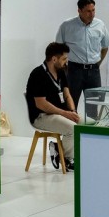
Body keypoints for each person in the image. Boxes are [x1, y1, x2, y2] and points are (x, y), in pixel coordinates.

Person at [25, 42, 80, 171]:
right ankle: (67, 159)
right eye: (64, 59)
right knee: (73, 128)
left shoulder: (61, 72)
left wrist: (73, 111)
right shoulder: (38, 74)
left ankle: (57, 149)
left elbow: (67, 95)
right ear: (54, 59)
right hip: (41, 116)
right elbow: (41, 104)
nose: (66, 62)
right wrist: (65, 113)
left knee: (86, 124)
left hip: (59, 113)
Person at [55, 0, 109, 114]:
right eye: (88, 11)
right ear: (79, 11)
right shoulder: (67, 26)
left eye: (93, 10)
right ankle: (70, 126)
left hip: (94, 71)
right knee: (70, 105)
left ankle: (91, 126)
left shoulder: (100, 24)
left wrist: (98, 63)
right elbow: (58, 48)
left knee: (93, 107)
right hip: (74, 70)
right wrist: (62, 67)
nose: (92, 14)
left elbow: (105, 46)